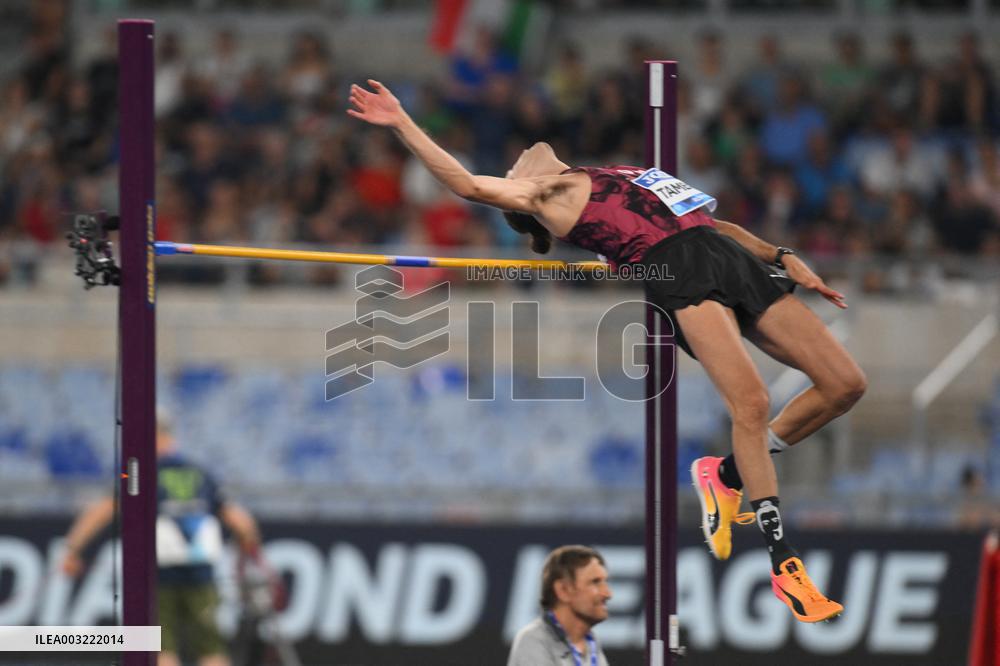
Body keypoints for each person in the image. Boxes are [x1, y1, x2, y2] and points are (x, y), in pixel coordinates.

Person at [349, 79, 868, 623]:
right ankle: (784, 564)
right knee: (752, 403)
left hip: (724, 255)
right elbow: (466, 184)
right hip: (679, 271)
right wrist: (403, 122)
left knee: (845, 384)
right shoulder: (543, 196)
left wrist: (781, 254)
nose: (516, 163)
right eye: (509, 174)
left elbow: (711, 223)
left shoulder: (610, 172)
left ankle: (729, 476)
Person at [61, 411, 261, 666]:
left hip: (156, 577)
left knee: (159, 647)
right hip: (201, 576)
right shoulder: (199, 472)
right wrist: (249, 552)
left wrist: (72, 550)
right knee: (211, 648)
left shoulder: (136, 472)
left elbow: (102, 510)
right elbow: (241, 522)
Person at [507, 545, 612, 666]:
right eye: (595, 582)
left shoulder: (592, 643)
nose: (608, 594)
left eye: (605, 582)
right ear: (563, 590)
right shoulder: (533, 640)